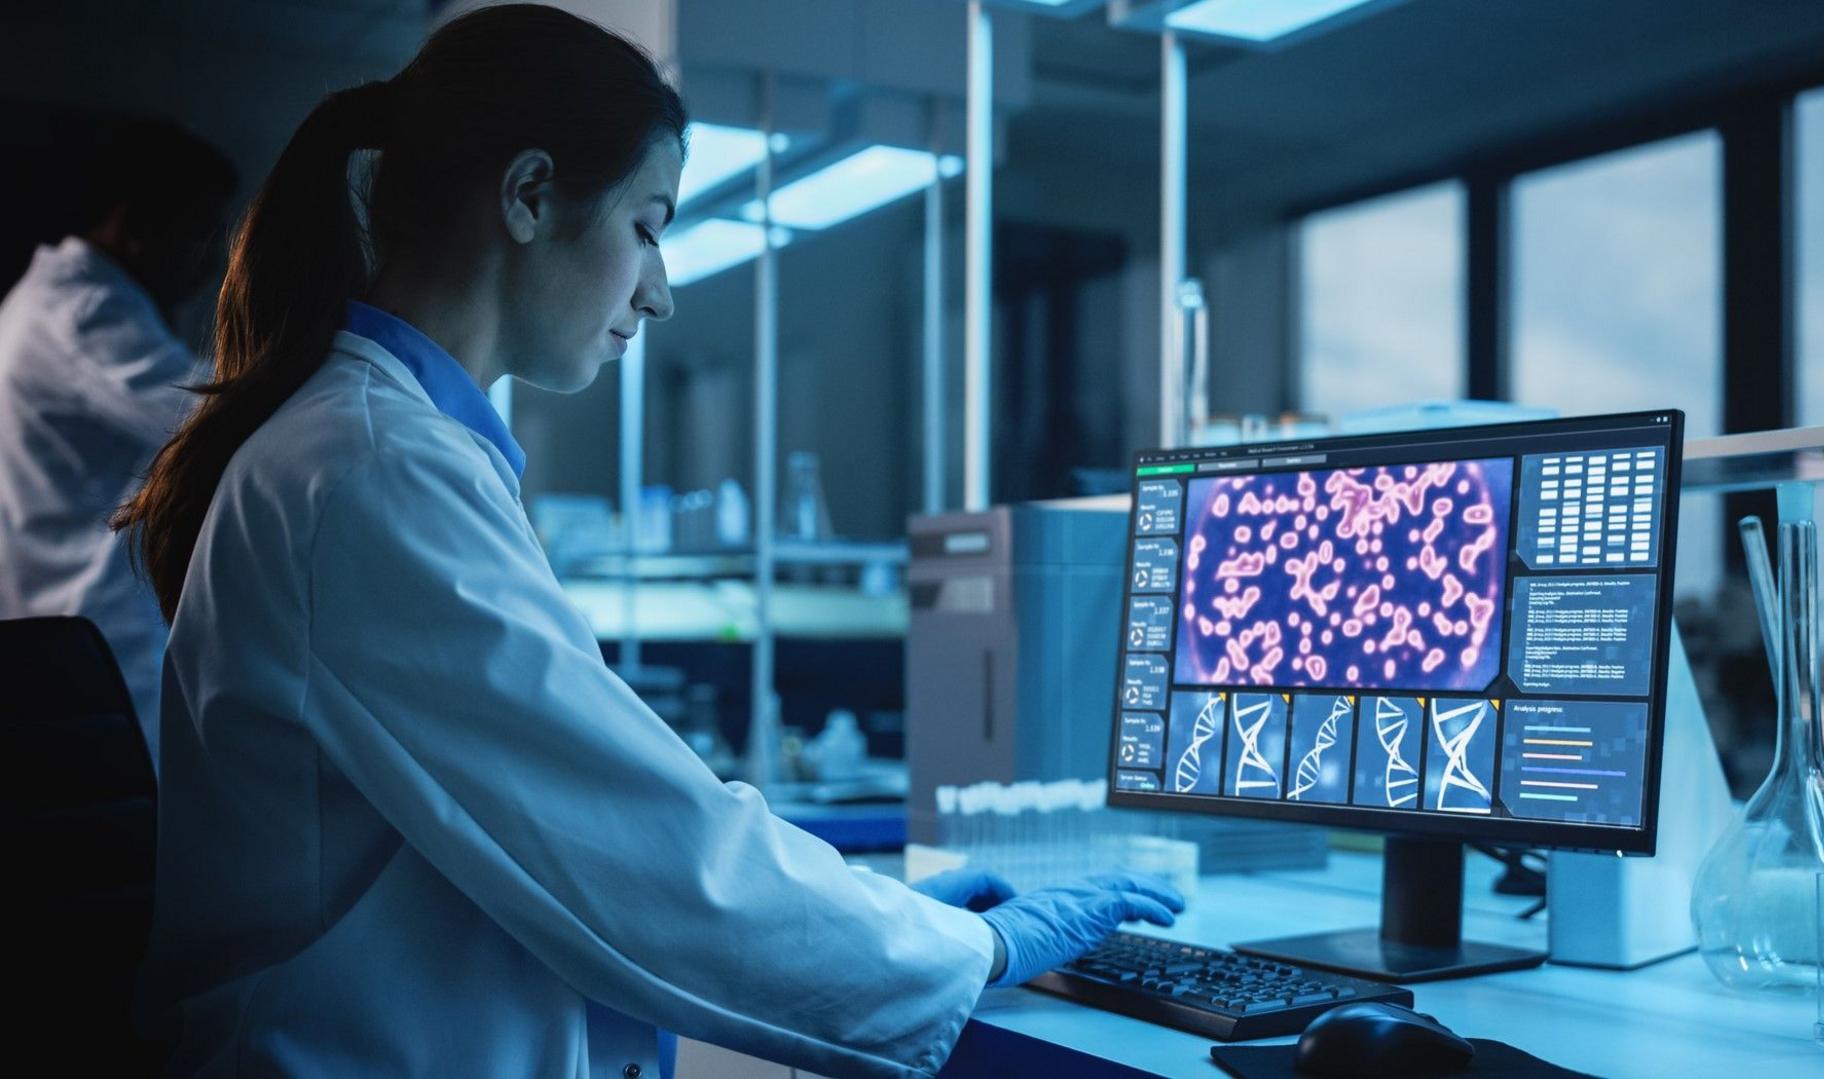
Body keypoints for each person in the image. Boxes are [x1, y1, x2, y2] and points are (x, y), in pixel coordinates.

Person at [115, 6, 1183, 1077]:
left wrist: (884, 913)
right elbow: (636, 839)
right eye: (648, 225)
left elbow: (604, 809)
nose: (660, 290)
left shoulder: (382, 448)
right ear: (530, 196)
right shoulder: (368, 465)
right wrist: (971, 943)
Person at [0, 118, 236, 761]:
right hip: (96, 646)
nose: (214, 261)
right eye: (201, 234)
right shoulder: (82, 313)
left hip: (78, 641)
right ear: (136, 228)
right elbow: (209, 415)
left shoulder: (58, 304)